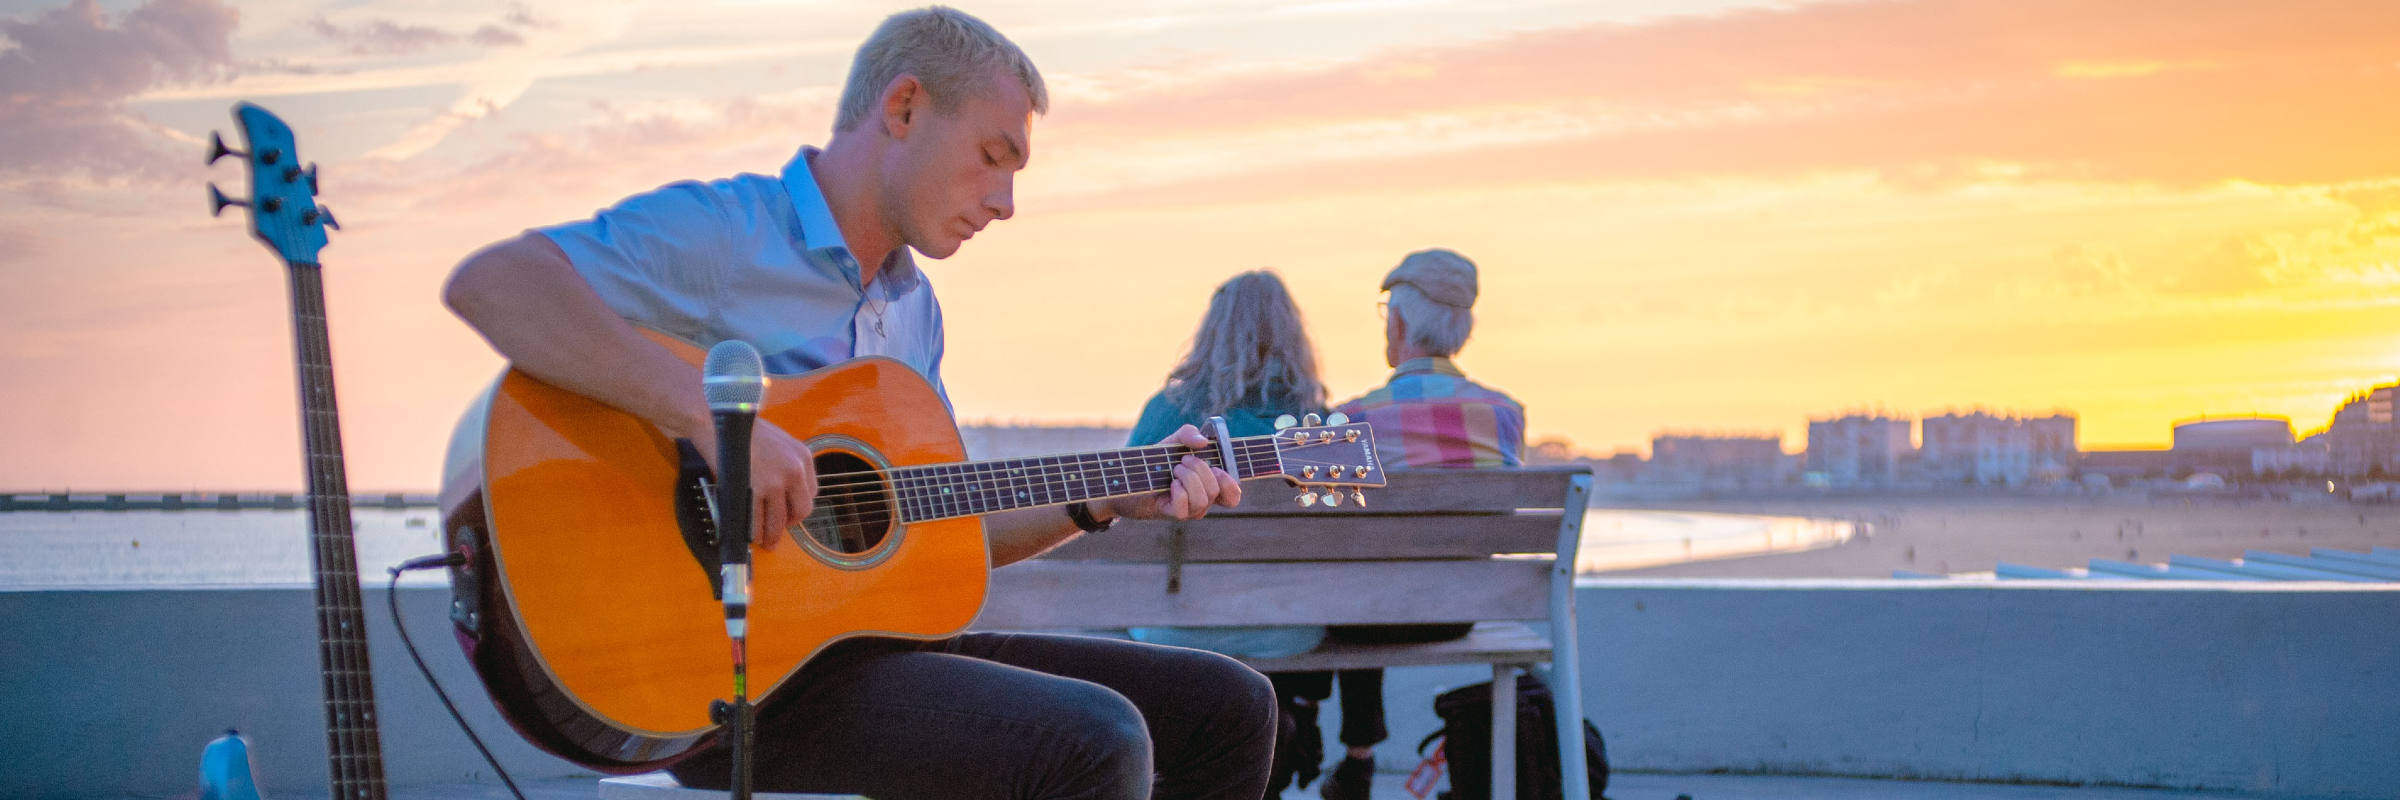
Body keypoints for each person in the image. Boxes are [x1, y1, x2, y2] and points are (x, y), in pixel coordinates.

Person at [440, 8, 1274, 799]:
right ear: (905, 107)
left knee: (1227, 706)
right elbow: (495, 285)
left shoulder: (914, 311)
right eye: (992, 155)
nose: (1005, 202)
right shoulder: (730, 235)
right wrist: (716, 424)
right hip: (715, 679)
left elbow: (937, 525)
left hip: (863, 654)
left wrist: (1097, 501)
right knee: (1097, 738)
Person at [1306, 248, 1527, 800]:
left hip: (1363, 619)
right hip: (1457, 613)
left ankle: (1346, 749)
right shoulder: (1505, 415)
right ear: (1462, 331)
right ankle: (1354, 758)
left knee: (1362, 574)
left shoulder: (1353, 419)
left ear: (1398, 323)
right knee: (1382, 573)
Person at [1118, 270, 1343, 794]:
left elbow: (1121, 522)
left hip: (1173, 629)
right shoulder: (1321, 426)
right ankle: (1287, 734)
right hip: (1288, 634)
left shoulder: (1168, 414)